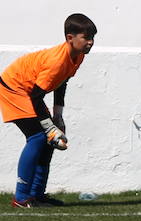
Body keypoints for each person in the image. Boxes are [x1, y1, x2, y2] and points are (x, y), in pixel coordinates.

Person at [1, 13, 97, 208]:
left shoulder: (78, 56)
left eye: (92, 38)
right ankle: (21, 199)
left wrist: (58, 118)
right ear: (70, 38)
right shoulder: (57, 60)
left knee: (46, 139)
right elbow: (36, 95)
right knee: (38, 137)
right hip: (15, 88)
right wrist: (50, 128)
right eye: (86, 38)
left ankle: (37, 196)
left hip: (30, 92)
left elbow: (61, 83)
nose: (91, 42)